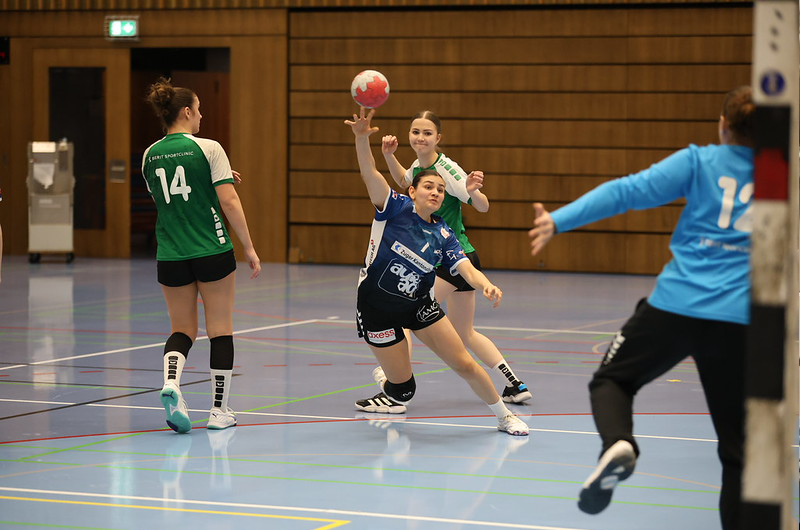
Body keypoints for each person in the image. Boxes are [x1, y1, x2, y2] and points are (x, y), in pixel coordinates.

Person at [528, 86, 754, 530]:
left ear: (723, 125)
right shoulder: (785, 173)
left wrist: (559, 219)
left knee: (614, 379)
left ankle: (619, 443)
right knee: (739, 453)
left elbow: (627, 191)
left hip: (675, 306)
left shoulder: (700, 161)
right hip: (739, 320)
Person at [345, 107, 528, 436]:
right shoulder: (392, 208)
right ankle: (393, 389)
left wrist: (486, 285)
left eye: (440, 190)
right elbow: (369, 173)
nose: (435, 192)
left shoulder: (443, 233)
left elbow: (466, 268)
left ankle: (504, 416)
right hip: (375, 308)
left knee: (464, 362)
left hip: (418, 305)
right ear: (412, 191)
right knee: (403, 390)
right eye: (428, 186)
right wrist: (361, 139)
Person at [143, 77, 261, 433]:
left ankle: (172, 383)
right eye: (198, 110)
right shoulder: (209, 148)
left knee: (181, 329)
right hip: (211, 249)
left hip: (171, 253)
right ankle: (219, 410)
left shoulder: (150, 155)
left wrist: (215, 177)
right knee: (220, 329)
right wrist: (249, 246)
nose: (201, 116)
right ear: (186, 111)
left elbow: (172, 200)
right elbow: (229, 201)